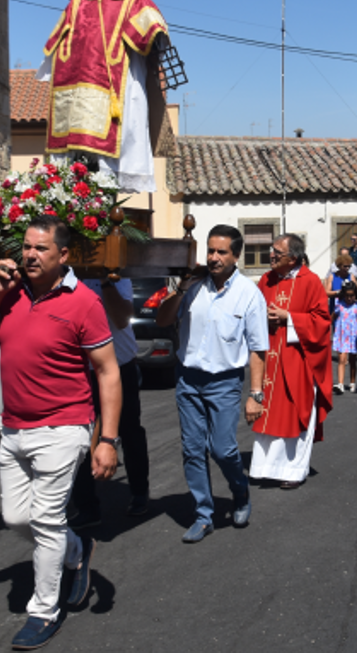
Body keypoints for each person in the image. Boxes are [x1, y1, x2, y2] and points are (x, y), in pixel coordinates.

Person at [0, 216, 122, 649]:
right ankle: (76, 551)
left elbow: (108, 373)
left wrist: (106, 440)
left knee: (46, 519)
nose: (30, 255)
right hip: (13, 427)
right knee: (17, 518)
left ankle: (43, 610)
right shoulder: (10, 294)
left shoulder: (83, 302)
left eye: (41, 249)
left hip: (64, 426)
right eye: (26, 247)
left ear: (63, 255)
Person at [155, 225, 268, 543]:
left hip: (225, 382)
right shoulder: (192, 287)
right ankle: (204, 515)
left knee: (222, 448)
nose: (214, 258)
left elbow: (258, 348)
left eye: (221, 252)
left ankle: (239, 490)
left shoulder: (249, 294)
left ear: (236, 256)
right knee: (192, 450)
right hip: (188, 379)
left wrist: (255, 394)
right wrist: (180, 289)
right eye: (210, 250)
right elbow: (162, 320)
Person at [38, 0, 171, 191]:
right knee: (75, 148)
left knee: (119, 139)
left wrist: (155, 34)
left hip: (116, 86)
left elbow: (154, 25)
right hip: (77, 83)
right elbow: (55, 39)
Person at [252, 233, 333, 488]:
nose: (271, 255)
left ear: (294, 258)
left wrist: (290, 317)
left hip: (297, 360)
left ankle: (293, 471)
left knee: (295, 413)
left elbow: (322, 323)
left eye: (278, 252)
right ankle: (264, 467)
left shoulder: (310, 282)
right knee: (269, 412)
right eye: (271, 250)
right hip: (269, 357)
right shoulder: (266, 279)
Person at [68, 276, 150, 528]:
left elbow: (122, 317)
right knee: (79, 435)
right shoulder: (65, 276)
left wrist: (104, 281)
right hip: (81, 368)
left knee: (128, 430)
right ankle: (86, 505)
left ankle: (139, 492)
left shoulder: (116, 276)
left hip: (119, 362)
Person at [331, 282, 357, 394]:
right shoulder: (339, 305)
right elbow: (332, 317)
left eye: (351, 295)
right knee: (342, 359)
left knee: (353, 360)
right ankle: (340, 384)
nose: (349, 298)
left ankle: (352, 382)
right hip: (341, 335)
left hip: (353, 336)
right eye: (347, 295)